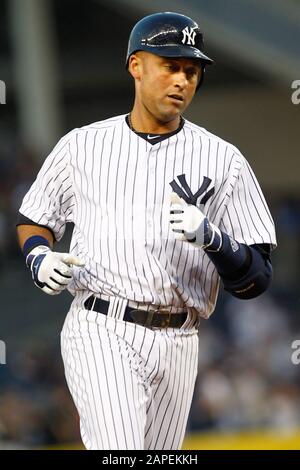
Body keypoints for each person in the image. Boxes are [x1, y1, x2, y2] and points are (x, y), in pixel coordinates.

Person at [16, 12, 277, 450]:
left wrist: (214, 240)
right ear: (136, 66)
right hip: (101, 324)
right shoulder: (82, 145)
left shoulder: (223, 159)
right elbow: (35, 218)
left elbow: (257, 279)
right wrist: (38, 255)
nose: (182, 81)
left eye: (191, 72)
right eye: (170, 66)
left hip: (181, 337)